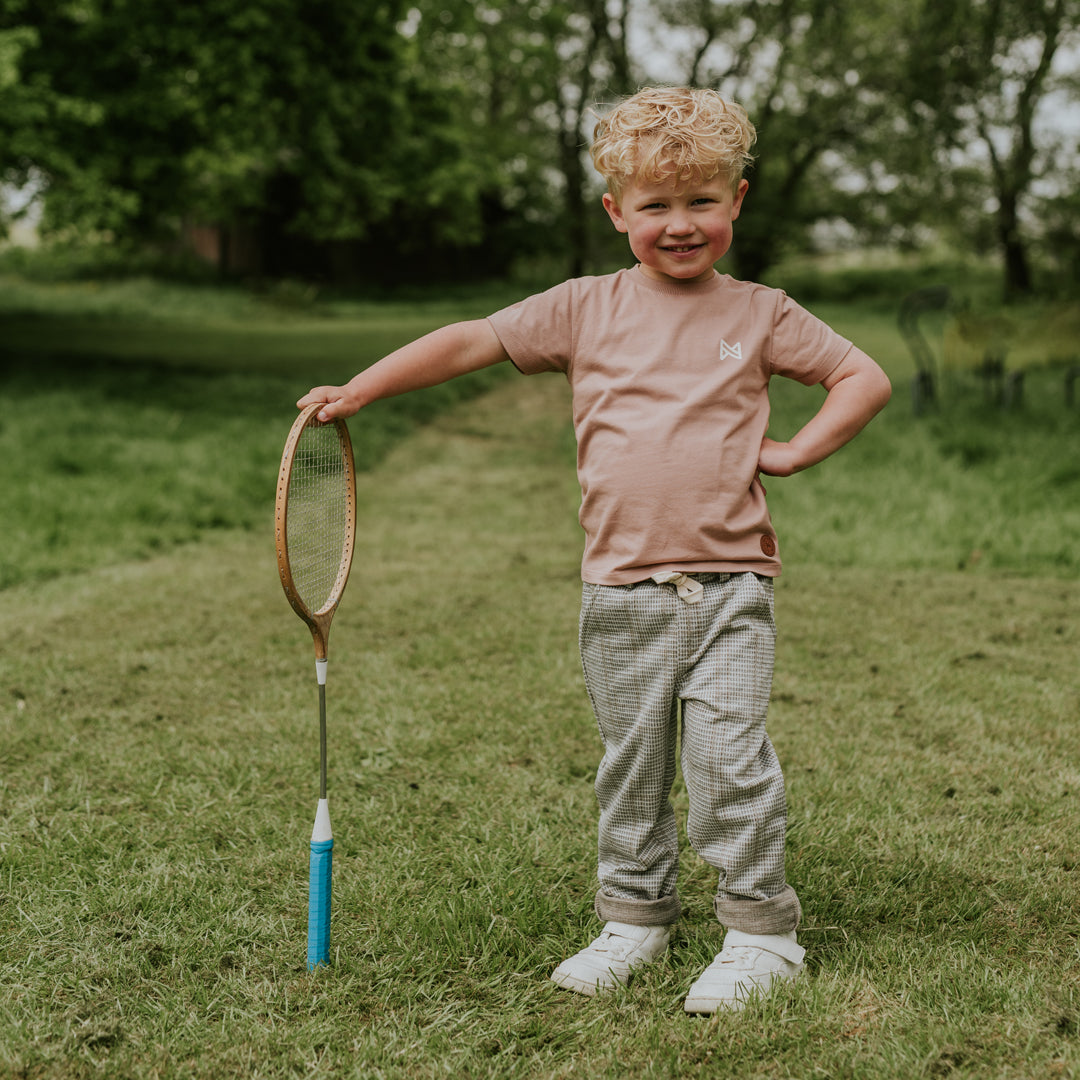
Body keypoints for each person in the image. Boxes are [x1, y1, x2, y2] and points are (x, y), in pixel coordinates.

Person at [298, 86, 891, 1014]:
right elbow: (472, 340)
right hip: (619, 590)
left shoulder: (764, 313)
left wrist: (795, 451)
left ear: (737, 200)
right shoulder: (582, 308)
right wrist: (364, 388)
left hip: (731, 584)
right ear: (617, 211)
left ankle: (761, 933)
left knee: (729, 762)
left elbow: (862, 374)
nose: (680, 223)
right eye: (656, 204)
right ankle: (636, 917)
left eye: (702, 200)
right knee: (633, 763)